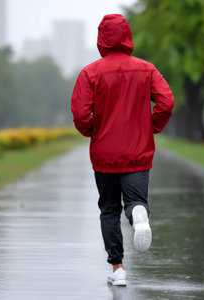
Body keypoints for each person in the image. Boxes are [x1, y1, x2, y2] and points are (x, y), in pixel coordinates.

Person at [71, 14, 174, 286]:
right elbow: (166, 103)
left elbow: (81, 115)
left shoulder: (90, 73)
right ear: (128, 36)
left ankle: (118, 269)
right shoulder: (147, 69)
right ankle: (138, 212)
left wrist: (95, 130)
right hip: (138, 152)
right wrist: (150, 126)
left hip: (104, 154)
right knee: (135, 201)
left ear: (101, 38)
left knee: (108, 209)